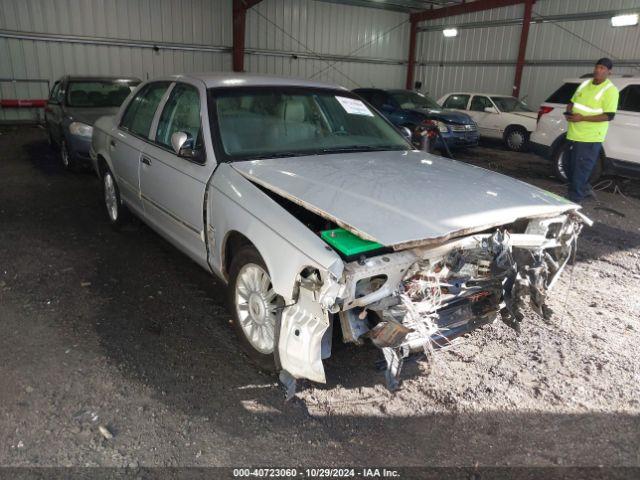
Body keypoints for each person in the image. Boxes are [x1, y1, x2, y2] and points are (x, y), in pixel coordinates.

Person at [565, 58, 619, 204]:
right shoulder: (585, 84)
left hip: (590, 138)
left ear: (609, 72)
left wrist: (582, 118)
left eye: (602, 68)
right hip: (573, 133)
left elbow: (609, 115)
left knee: (580, 171)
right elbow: (572, 102)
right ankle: (584, 189)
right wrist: (569, 111)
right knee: (568, 167)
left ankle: (573, 202)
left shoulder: (610, 90)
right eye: (597, 67)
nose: (598, 70)